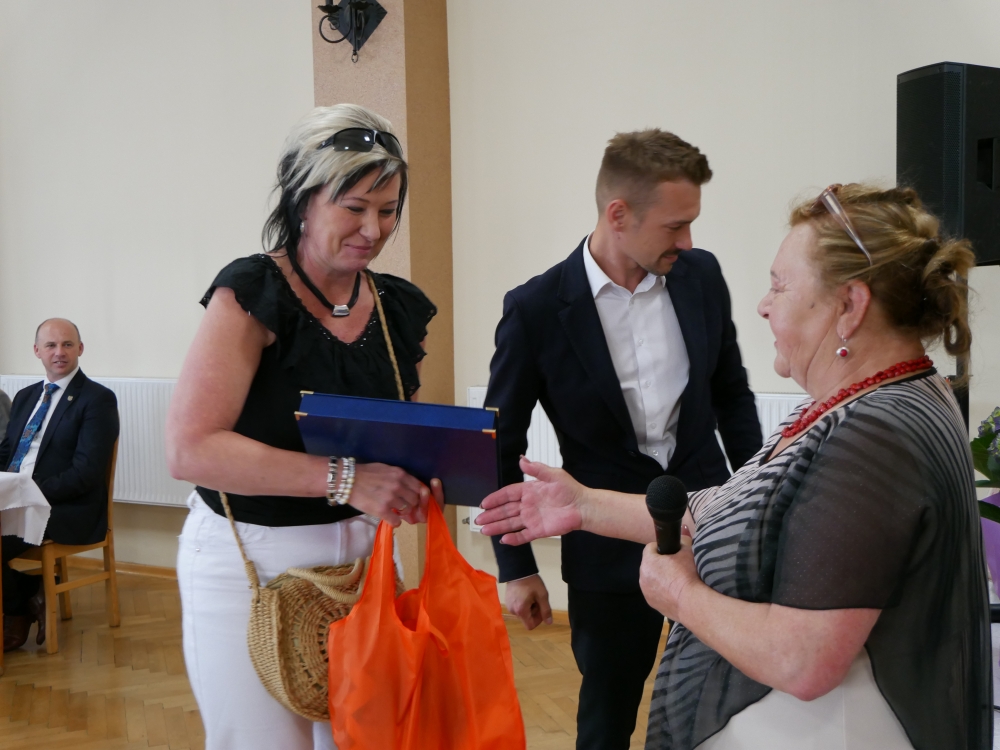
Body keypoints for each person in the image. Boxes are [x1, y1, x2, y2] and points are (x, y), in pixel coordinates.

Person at [479, 183, 991, 750]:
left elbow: (803, 660)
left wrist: (681, 597)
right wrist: (583, 505)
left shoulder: (875, 435)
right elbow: (727, 506)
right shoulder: (877, 399)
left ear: (850, 306)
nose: (764, 304)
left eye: (780, 285)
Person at [165, 104, 440, 750]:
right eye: (355, 207)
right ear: (303, 200)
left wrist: (426, 477)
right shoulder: (251, 293)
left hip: (365, 561)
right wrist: (348, 479)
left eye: (389, 210)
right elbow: (190, 448)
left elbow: (399, 435)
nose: (374, 229)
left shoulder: (396, 307)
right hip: (250, 564)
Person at [484, 129, 763, 749]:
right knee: (607, 717)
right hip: (603, 547)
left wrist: (758, 502)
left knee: (727, 702)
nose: (688, 242)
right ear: (618, 215)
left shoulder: (701, 276)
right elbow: (499, 442)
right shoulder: (535, 309)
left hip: (707, 525)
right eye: (675, 226)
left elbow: (732, 396)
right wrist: (516, 566)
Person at [0, 318, 119, 651]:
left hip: (63, 506)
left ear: (80, 349)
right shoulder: (25, 397)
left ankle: (16, 609)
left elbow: (86, 473)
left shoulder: (97, 399)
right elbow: (7, 453)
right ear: (37, 351)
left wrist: (27, 492)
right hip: (13, 498)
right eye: (51, 345)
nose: (59, 352)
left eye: (67, 344)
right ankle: (29, 592)